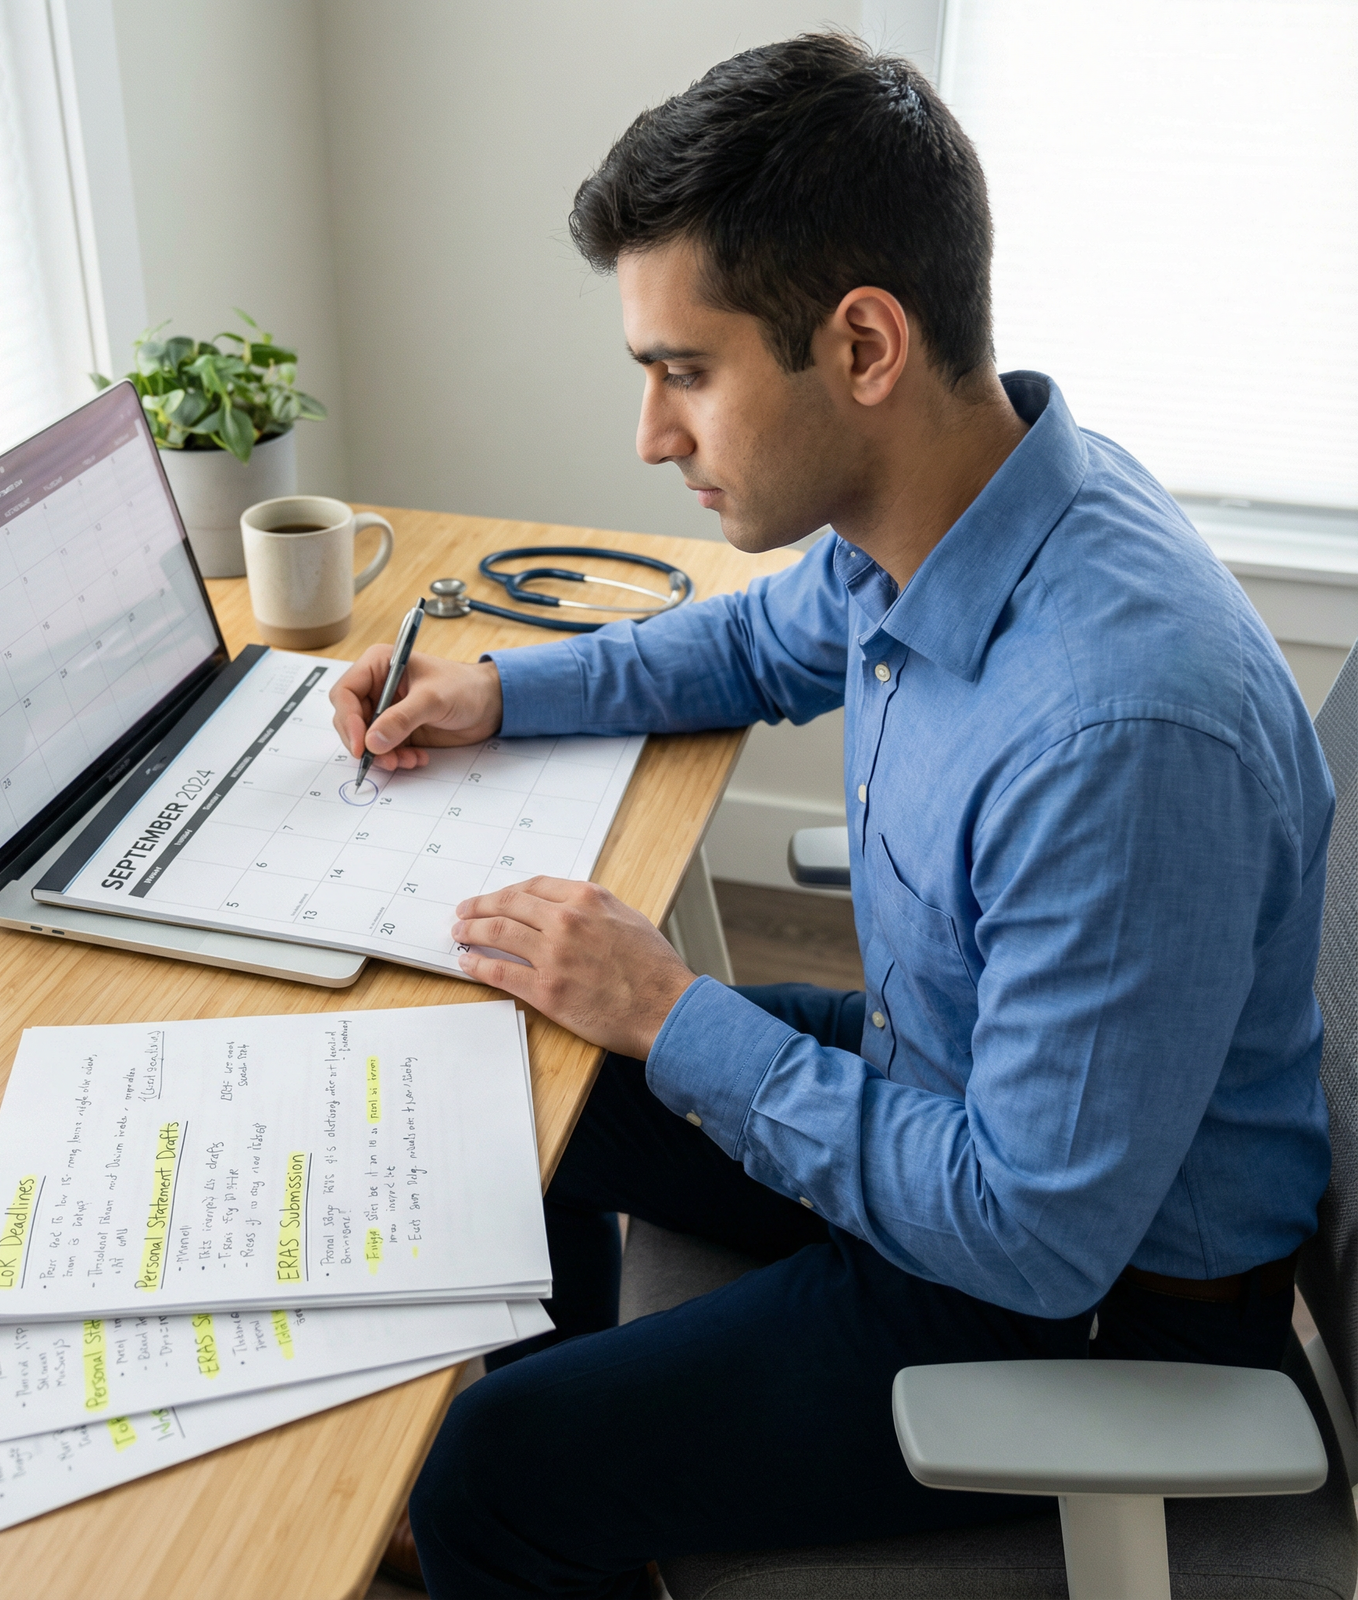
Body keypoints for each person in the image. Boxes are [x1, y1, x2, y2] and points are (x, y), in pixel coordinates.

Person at [333, 32, 1334, 1600]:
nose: (652, 435)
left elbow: (1029, 1233)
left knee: (483, 1469)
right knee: (527, 1079)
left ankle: (529, 1505)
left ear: (863, 345)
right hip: (951, 1092)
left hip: (1086, 1307)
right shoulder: (955, 503)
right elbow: (752, 643)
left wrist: (675, 1014)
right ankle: (579, 1500)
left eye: (687, 372)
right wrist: (498, 692)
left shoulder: (1122, 733)